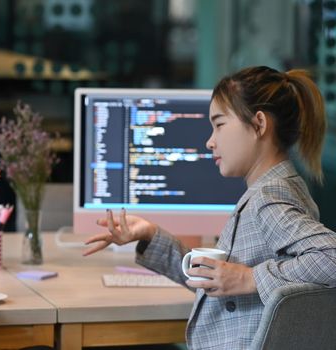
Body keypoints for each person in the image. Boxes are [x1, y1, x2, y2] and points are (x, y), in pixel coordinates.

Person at [83, 66, 336, 349]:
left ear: (259, 125)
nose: (209, 141)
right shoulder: (278, 187)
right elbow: (214, 280)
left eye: (219, 124)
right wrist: (151, 235)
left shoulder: (269, 197)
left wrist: (249, 278)